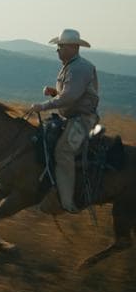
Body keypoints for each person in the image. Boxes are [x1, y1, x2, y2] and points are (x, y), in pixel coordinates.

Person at [28, 28, 99, 213]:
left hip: (82, 120)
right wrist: (54, 92)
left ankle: (67, 203)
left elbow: (70, 97)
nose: (57, 49)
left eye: (61, 46)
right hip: (71, 117)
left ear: (73, 47)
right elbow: (69, 94)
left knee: (63, 152)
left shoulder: (79, 68)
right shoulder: (70, 66)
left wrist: (43, 106)